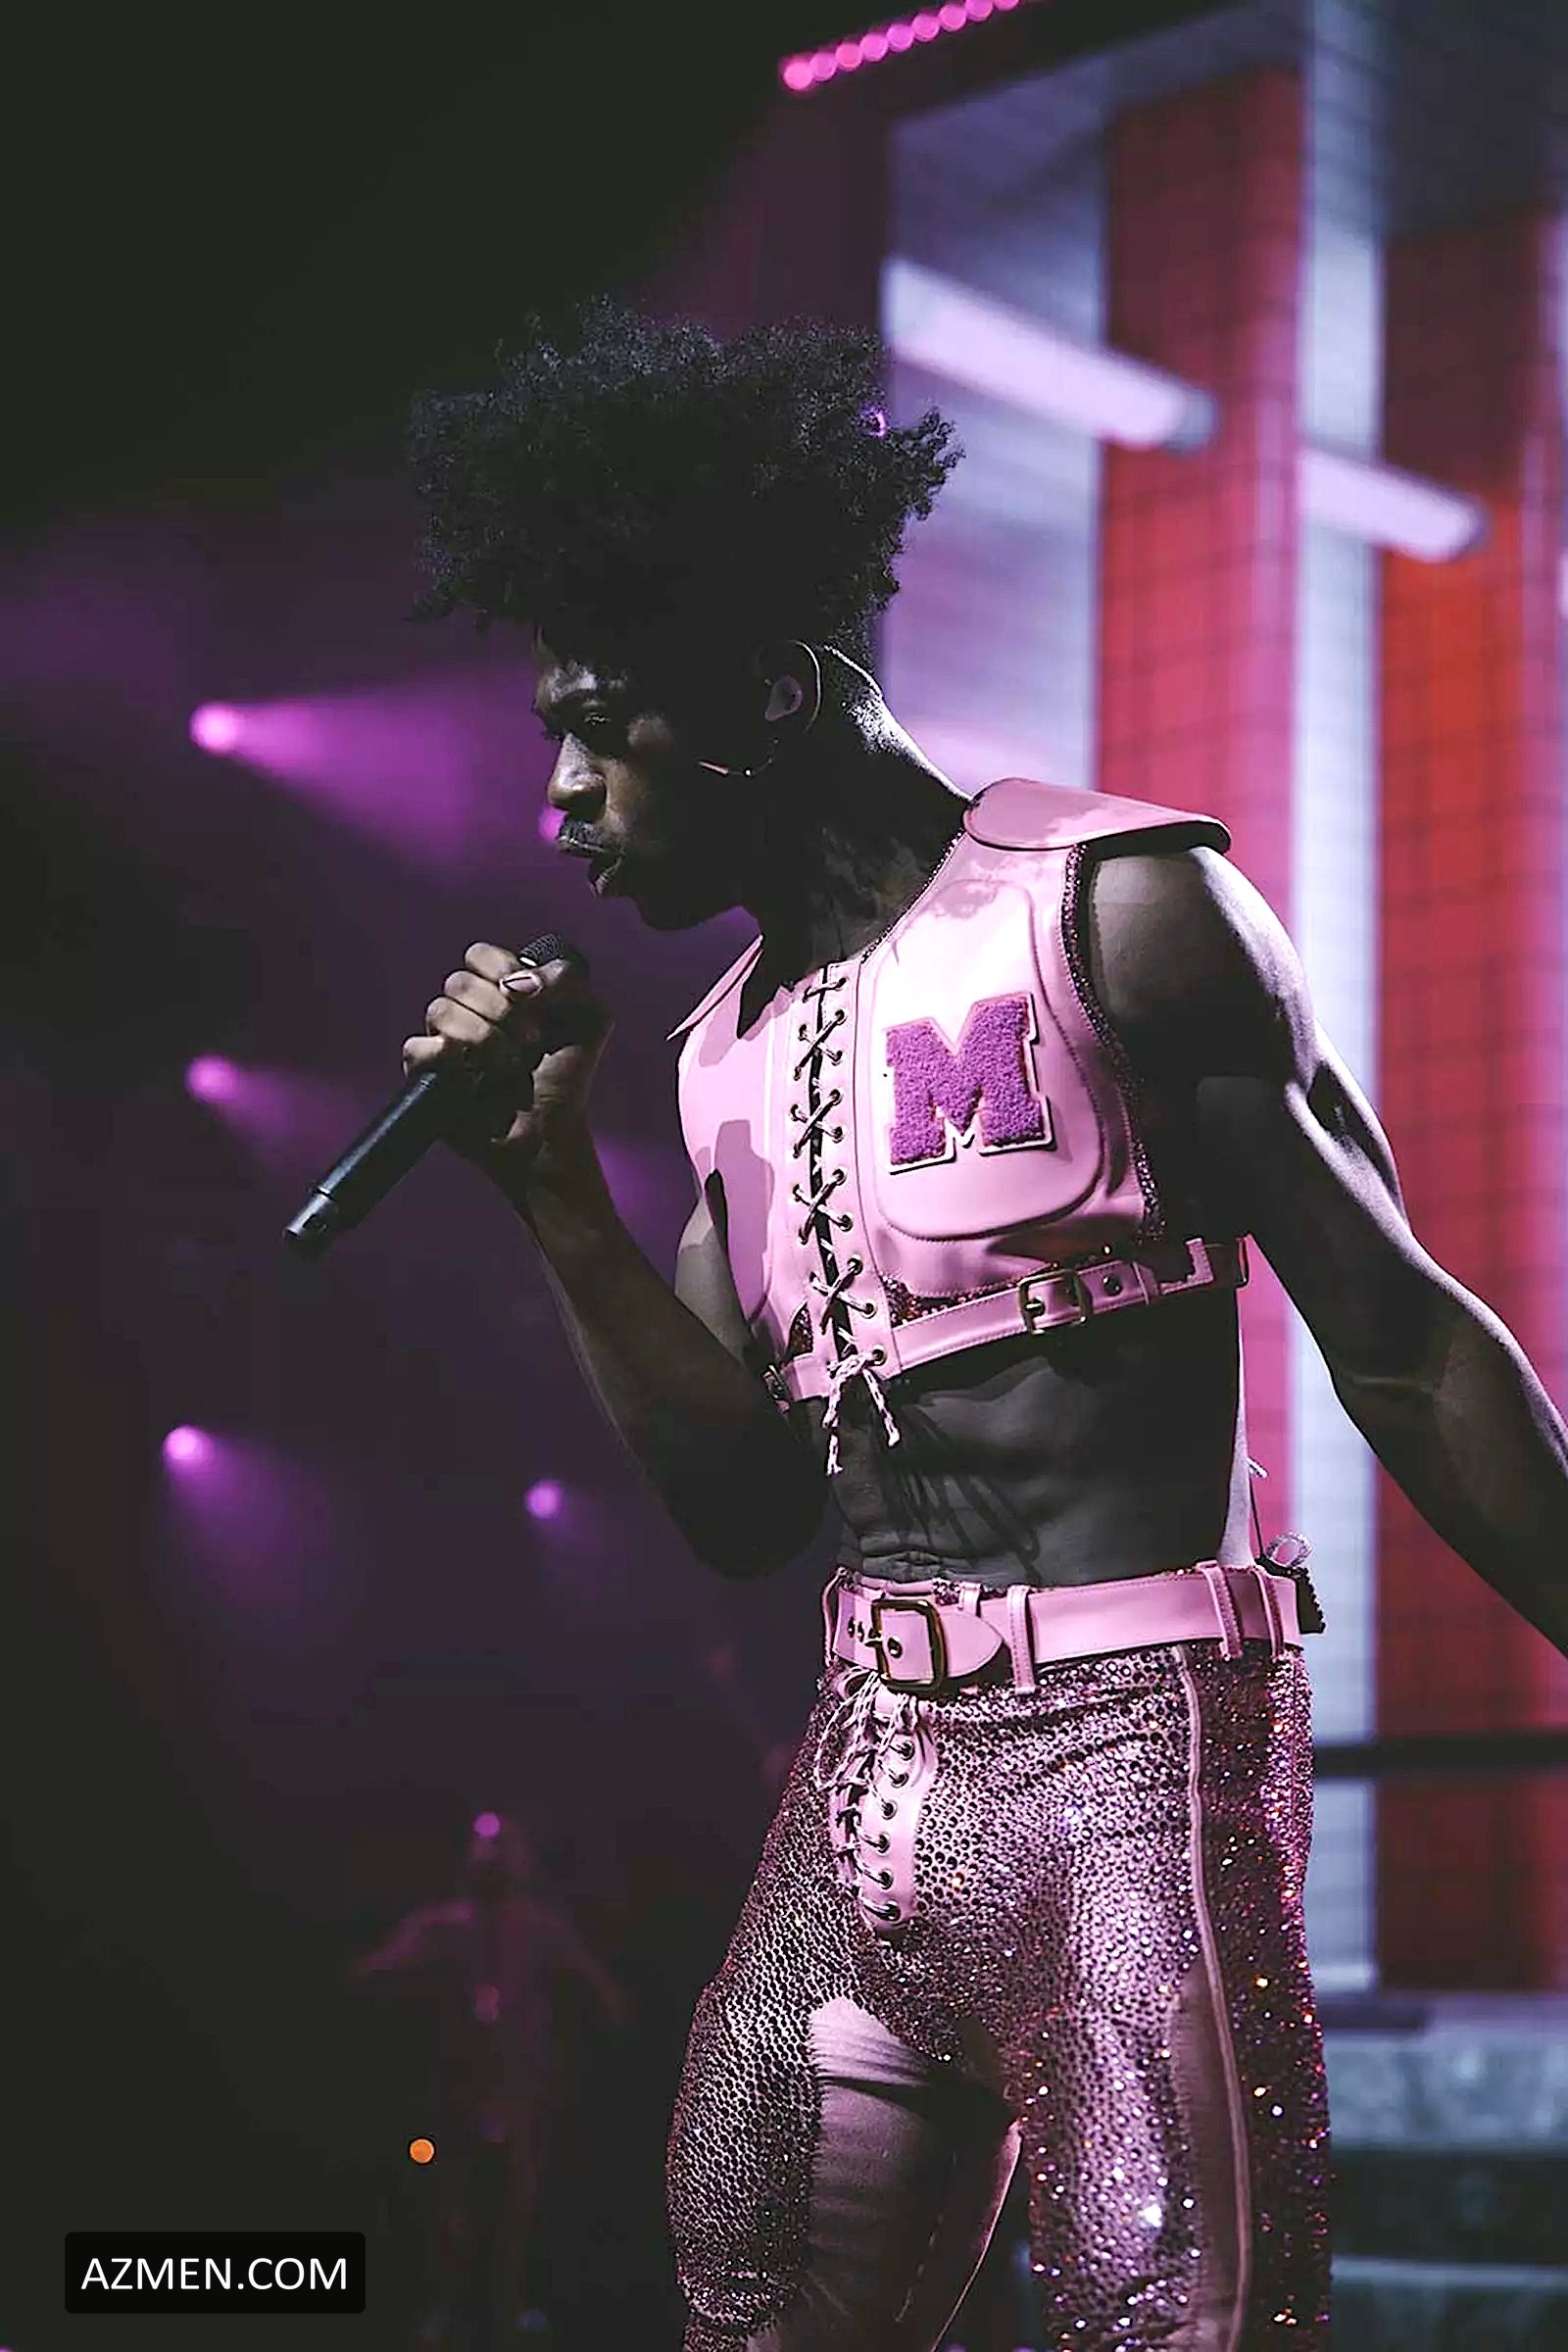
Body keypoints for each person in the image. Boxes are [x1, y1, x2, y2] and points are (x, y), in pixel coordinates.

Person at [399, 303, 1568, 2351]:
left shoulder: (1114, 910)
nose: (560, 795)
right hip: (859, 1792)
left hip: (1132, 1780)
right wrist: (549, 1192)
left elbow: (1402, 1343)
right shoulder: (715, 1053)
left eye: (598, 728)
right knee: (745, 2299)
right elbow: (744, 1513)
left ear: (763, 697)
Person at [353, 1811, 627, 2347]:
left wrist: (605, 2016)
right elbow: (379, 1969)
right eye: (485, 1846)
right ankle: (446, 2305)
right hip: (458, 2086)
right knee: (450, 2201)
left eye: (502, 1847)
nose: (493, 1858)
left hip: (522, 2088)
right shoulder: (444, 1926)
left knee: (517, 2206)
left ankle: (510, 2307)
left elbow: (598, 1987)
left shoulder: (541, 1927)